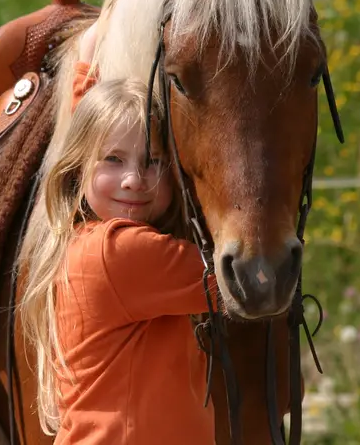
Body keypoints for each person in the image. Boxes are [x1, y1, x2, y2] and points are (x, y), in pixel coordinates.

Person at [19, 32, 218, 444]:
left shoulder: (83, 240)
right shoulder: (121, 253)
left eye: (154, 162)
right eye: (114, 160)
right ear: (79, 167)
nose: (133, 180)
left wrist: (85, 77)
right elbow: (238, 280)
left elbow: (96, 138)